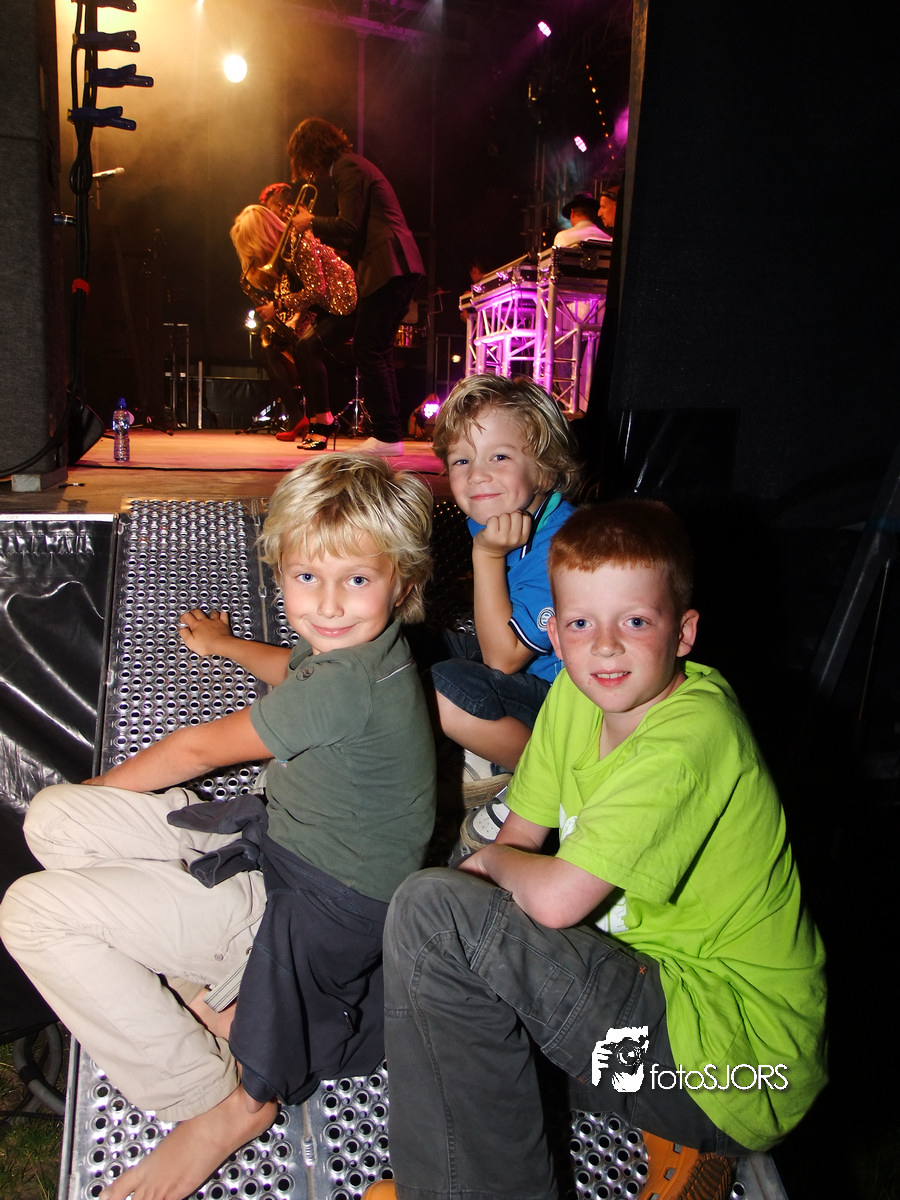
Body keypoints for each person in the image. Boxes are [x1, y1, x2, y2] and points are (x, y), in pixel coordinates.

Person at [0, 453, 436, 1200]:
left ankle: (213, 1098)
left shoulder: (348, 687)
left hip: (302, 914)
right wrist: (226, 646)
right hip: (279, 855)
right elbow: (297, 667)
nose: (329, 604)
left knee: (31, 913)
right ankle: (214, 991)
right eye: (307, 577)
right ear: (281, 571)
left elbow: (197, 750)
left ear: (402, 582)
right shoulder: (363, 651)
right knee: (55, 818)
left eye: (357, 580)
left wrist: (104, 785)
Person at [366, 499, 827, 1200]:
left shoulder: (690, 737)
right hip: (648, 1032)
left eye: (634, 621)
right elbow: (520, 834)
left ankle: (501, 1182)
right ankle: (471, 1173)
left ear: (683, 632)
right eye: (581, 623)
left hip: (730, 1070)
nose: (605, 646)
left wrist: (481, 872)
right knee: (442, 994)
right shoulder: (580, 698)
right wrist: (482, 877)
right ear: (554, 632)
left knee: (435, 915)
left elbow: (550, 898)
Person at [424, 374, 581, 804]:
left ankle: (545, 781)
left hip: (570, 710)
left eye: (499, 456)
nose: (478, 475)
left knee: (442, 690)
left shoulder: (565, 548)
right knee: (412, 648)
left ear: (545, 469)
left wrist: (487, 556)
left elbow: (504, 658)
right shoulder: (504, 513)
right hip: (528, 677)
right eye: (461, 460)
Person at [288, 118, 425, 457]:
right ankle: (389, 434)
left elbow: (348, 226)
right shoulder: (352, 166)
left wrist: (311, 222)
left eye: (305, 161)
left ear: (313, 152)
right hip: (394, 264)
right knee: (377, 349)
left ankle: (387, 436)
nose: (308, 171)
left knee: (368, 348)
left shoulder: (347, 168)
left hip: (389, 265)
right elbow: (357, 230)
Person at [230, 203, 357, 450]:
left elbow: (316, 290)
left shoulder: (299, 244)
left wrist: (277, 306)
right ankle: (315, 421)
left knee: (307, 349)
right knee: (301, 350)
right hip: (326, 307)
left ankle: (324, 421)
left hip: (345, 301)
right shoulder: (286, 252)